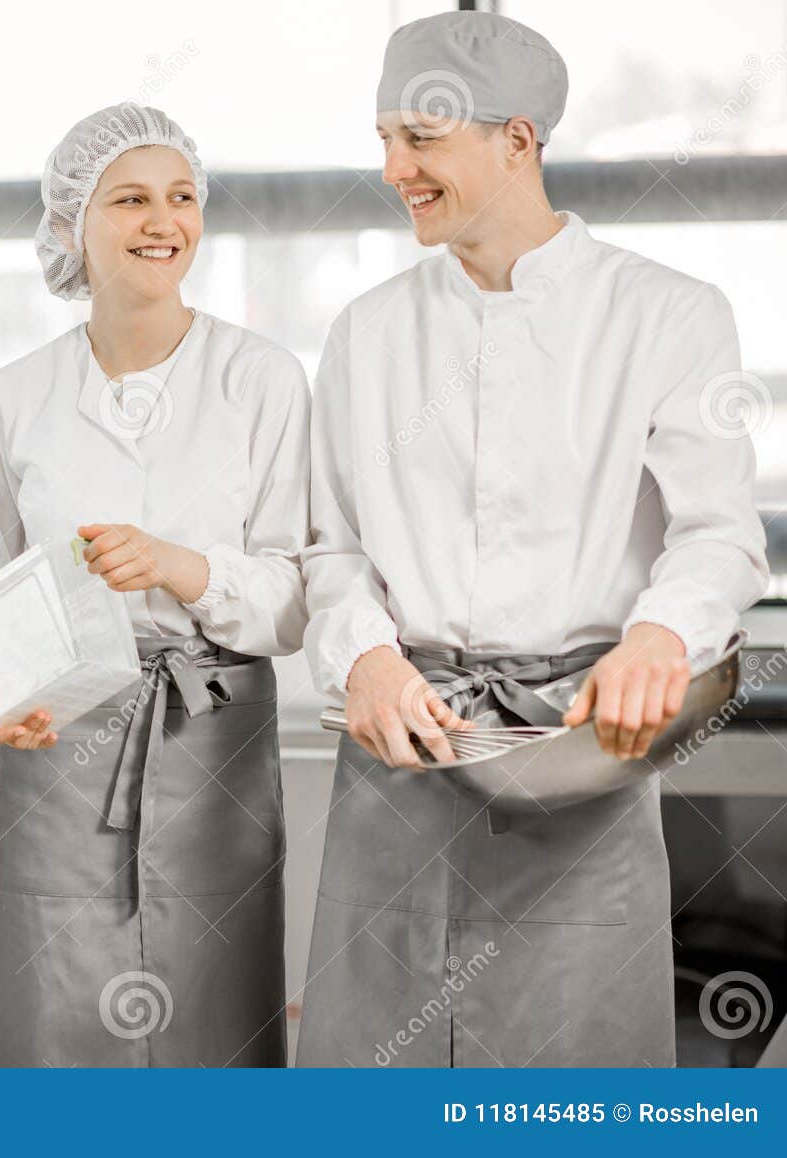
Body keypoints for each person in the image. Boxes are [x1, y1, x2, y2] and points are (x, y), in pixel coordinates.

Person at [298, 12, 768, 1066]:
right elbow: (327, 549)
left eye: (419, 138)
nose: (392, 169)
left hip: (576, 755)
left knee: (574, 1085)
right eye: (382, 139)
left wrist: (659, 639)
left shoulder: (666, 315)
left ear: (517, 140)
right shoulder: (366, 333)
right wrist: (365, 658)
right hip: (399, 755)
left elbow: (718, 535)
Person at [0, 103, 310, 1066]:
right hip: (61, 741)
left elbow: (294, 598)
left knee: (213, 1009)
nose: (164, 221)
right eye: (131, 199)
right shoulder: (13, 398)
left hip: (214, 734)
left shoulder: (261, 379)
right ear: (75, 220)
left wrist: (181, 567)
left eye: (183, 197)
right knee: (60, 1016)